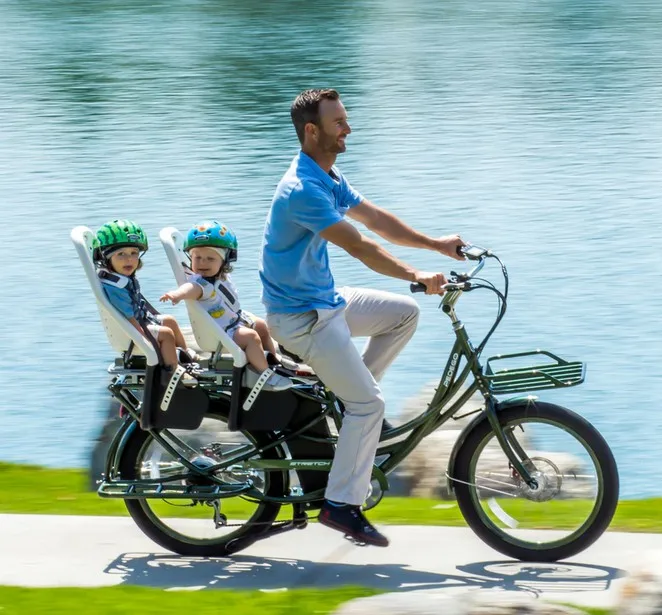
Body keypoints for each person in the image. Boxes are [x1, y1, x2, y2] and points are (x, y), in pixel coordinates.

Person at [260, 88, 464, 547]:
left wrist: (436, 245)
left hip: (325, 300)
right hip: (301, 317)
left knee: (403, 314)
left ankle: (347, 400)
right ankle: (340, 505)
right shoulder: (303, 189)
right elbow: (359, 245)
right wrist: (416, 273)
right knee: (369, 404)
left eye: (346, 119)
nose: (348, 128)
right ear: (312, 131)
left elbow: (374, 220)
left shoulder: (327, 175)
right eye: (339, 123)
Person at [160, 220, 292, 392]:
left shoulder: (219, 277)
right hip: (221, 331)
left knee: (260, 325)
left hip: (233, 321)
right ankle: (263, 374)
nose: (202, 263)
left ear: (224, 261)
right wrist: (176, 295)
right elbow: (189, 289)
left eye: (210, 258)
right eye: (197, 257)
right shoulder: (201, 285)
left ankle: (272, 360)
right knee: (251, 338)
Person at [93, 219, 196, 385]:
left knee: (170, 320)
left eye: (134, 253)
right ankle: (174, 372)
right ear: (106, 258)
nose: (129, 259)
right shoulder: (115, 287)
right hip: (133, 331)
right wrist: (146, 344)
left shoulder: (120, 279)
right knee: (166, 334)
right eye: (121, 254)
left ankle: (186, 355)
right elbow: (130, 318)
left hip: (142, 321)